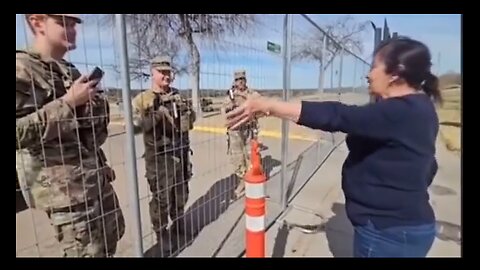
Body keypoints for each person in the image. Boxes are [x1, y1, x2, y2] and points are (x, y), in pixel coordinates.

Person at [226, 37, 441, 257]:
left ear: (395, 74)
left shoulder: (399, 112)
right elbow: (428, 166)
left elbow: (337, 116)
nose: (368, 74)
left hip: (388, 233)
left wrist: (269, 105)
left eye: (374, 67)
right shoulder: (419, 108)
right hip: (397, 227)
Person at [16, 14, 125, 257]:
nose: (73, 29)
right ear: (37, 23)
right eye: (64, 22)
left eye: (74, 23)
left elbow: (80, 133)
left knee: (112, 235)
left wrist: (102, 163)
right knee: (88, 251)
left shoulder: (68, 70)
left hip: (93, 179)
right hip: (65, 191)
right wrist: (68, 102)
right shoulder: (22, 68)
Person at [132, 55, 195, 253]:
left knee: (181, 192)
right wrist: (156, 116)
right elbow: (134, 127)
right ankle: (162, 232)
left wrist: (186, 112)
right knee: (161, 198)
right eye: (162, 72)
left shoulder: (178, 95)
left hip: (181, 152)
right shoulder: (143, 99)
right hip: (159, 157)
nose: (166, 76)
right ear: (152, 73)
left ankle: (178, 222)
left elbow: (191, 121)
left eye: (168, 72)